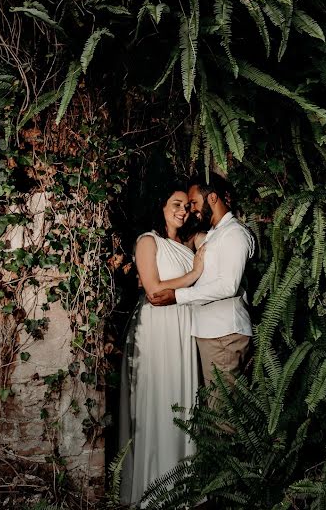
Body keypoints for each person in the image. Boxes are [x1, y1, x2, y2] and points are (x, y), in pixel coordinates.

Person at [119, 183, 206, 507]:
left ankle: (182, 487)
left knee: (183, 400)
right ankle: (155, 489)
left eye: (186, 205)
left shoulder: (187, 244)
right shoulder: (147, 241)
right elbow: (154, 288)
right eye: (176, 203)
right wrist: (194, 271)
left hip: (182, 326)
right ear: (161, 206)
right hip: (157, 328)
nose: (183, 210)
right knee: (159, 398)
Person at [149, 174, 255, 406]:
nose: (192, 209)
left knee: (223, 413)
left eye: (195, 203)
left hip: (224, 334)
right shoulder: (215, 234)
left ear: (213, 198)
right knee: (214, 409)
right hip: (210, 333)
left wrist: (177, 296)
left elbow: (228, 286)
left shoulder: (234, 234)